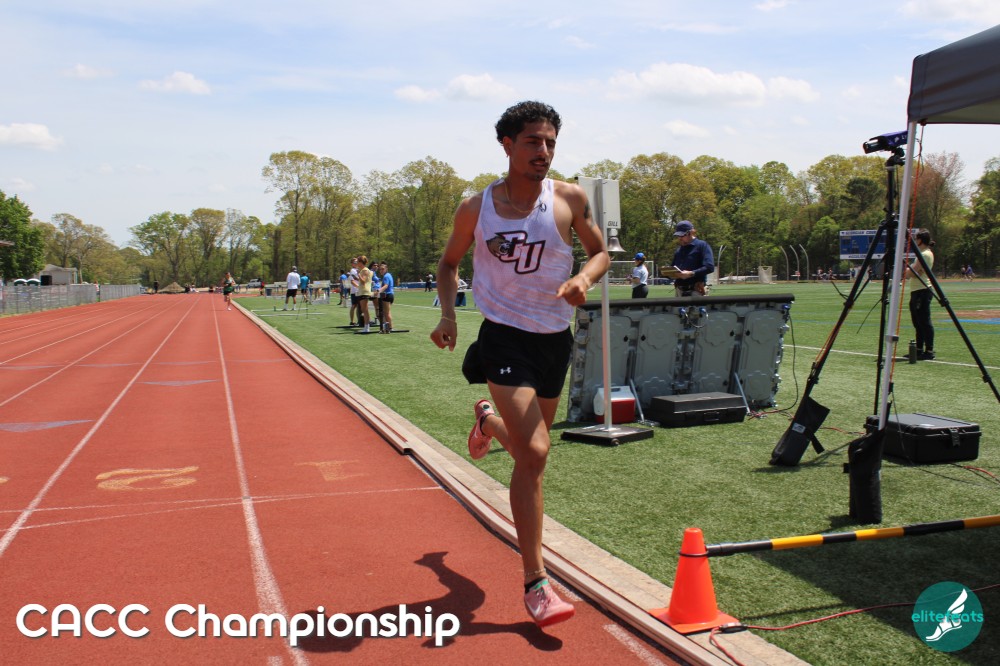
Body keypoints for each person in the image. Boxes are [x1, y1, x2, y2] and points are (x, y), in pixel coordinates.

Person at [430, 101, 609, 628]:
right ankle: (537, 582)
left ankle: (487, 422)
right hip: (504, 338)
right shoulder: (476, 208)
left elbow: (601, 253)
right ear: (507, 144)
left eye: (550, 142)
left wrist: (584, 278)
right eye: (533, 141)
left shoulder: (570, 198)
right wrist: (448, 314)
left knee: (533, 458)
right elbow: (449, 263)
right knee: (534, 451)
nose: (544, 151)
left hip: (553, 340)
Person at [904, 229, 935, 360]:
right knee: (917, 322)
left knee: (924, 321)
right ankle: (918, 349)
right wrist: (911, 271)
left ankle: (929, 350)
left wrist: (909, 270)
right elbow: (913, 272)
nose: (915, 241)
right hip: (916, 290)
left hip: (922, 290)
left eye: (916, 239)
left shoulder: (925, 254)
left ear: (921, 240)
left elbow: (911, 273)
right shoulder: (921, 254)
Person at [671, 220, 714, 297]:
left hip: (696, 290)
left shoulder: (702, 246)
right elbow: (673, 267)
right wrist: (668, 272)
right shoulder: (679, 250)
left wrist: (691, 273)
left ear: (690, 233)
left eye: (682, 235)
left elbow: (709, 267)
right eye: (678, 236)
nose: (679, 238)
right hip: (679, 291)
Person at [356, 255, 373, 333]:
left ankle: (367, 327)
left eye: (358, 262)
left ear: (361, 262)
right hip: (362, 291)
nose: (357, 263)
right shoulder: (362, 270)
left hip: (365, 292)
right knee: (363, 309)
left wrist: (358, 274)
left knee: (365, 310)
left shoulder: (365, 270)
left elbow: (363, 281)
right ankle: (366, 326)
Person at [376, 261, 395, 333]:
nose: (381, 270)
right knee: (384, 312)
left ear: (386, 269)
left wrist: (378, 291)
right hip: (390, 295)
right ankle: (386, 326)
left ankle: (390, 327)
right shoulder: (388, 275)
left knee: (386, 313)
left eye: (383, 269)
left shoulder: (386, 276)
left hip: (387, 295)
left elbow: (386, 286)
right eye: (380, 269)